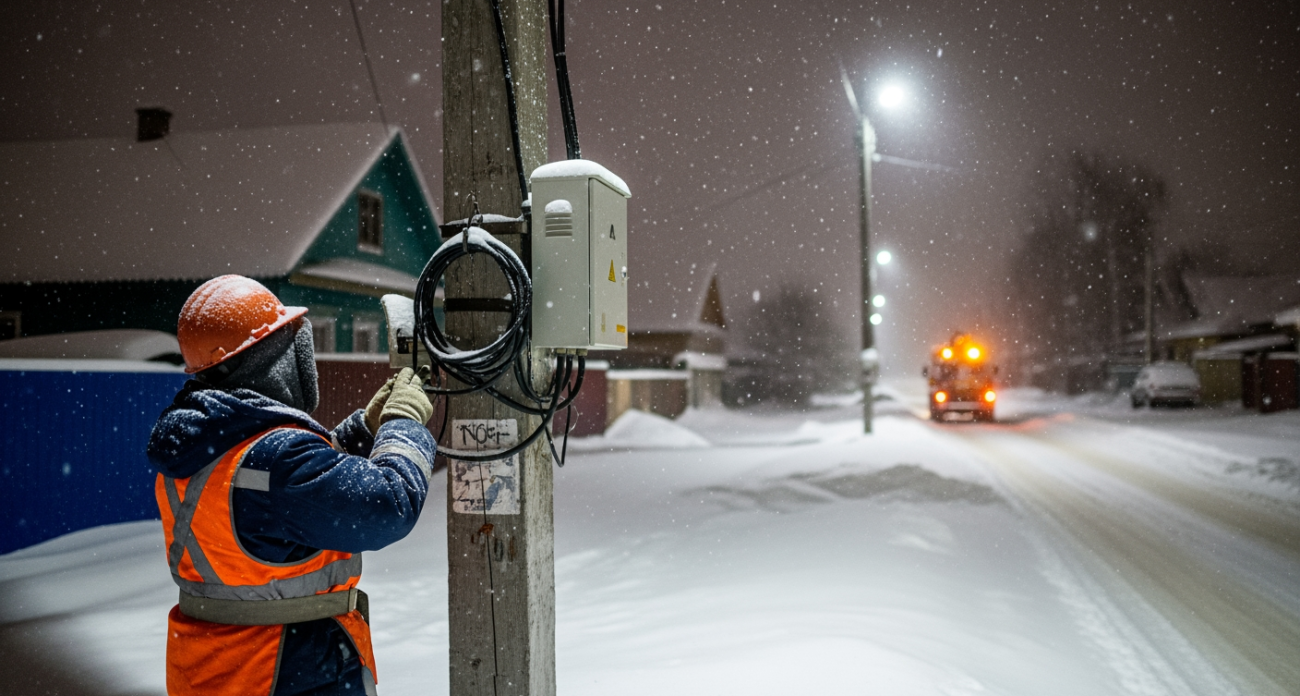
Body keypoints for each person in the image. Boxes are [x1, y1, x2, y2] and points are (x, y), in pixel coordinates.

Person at [147, 275, 436, 696]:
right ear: (275, 360)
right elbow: (387, 506)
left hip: (216, 669)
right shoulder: (274, 459)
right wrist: (403, 425)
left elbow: (286, 492)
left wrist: (364, 430)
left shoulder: (202, 442)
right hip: (285, 670)